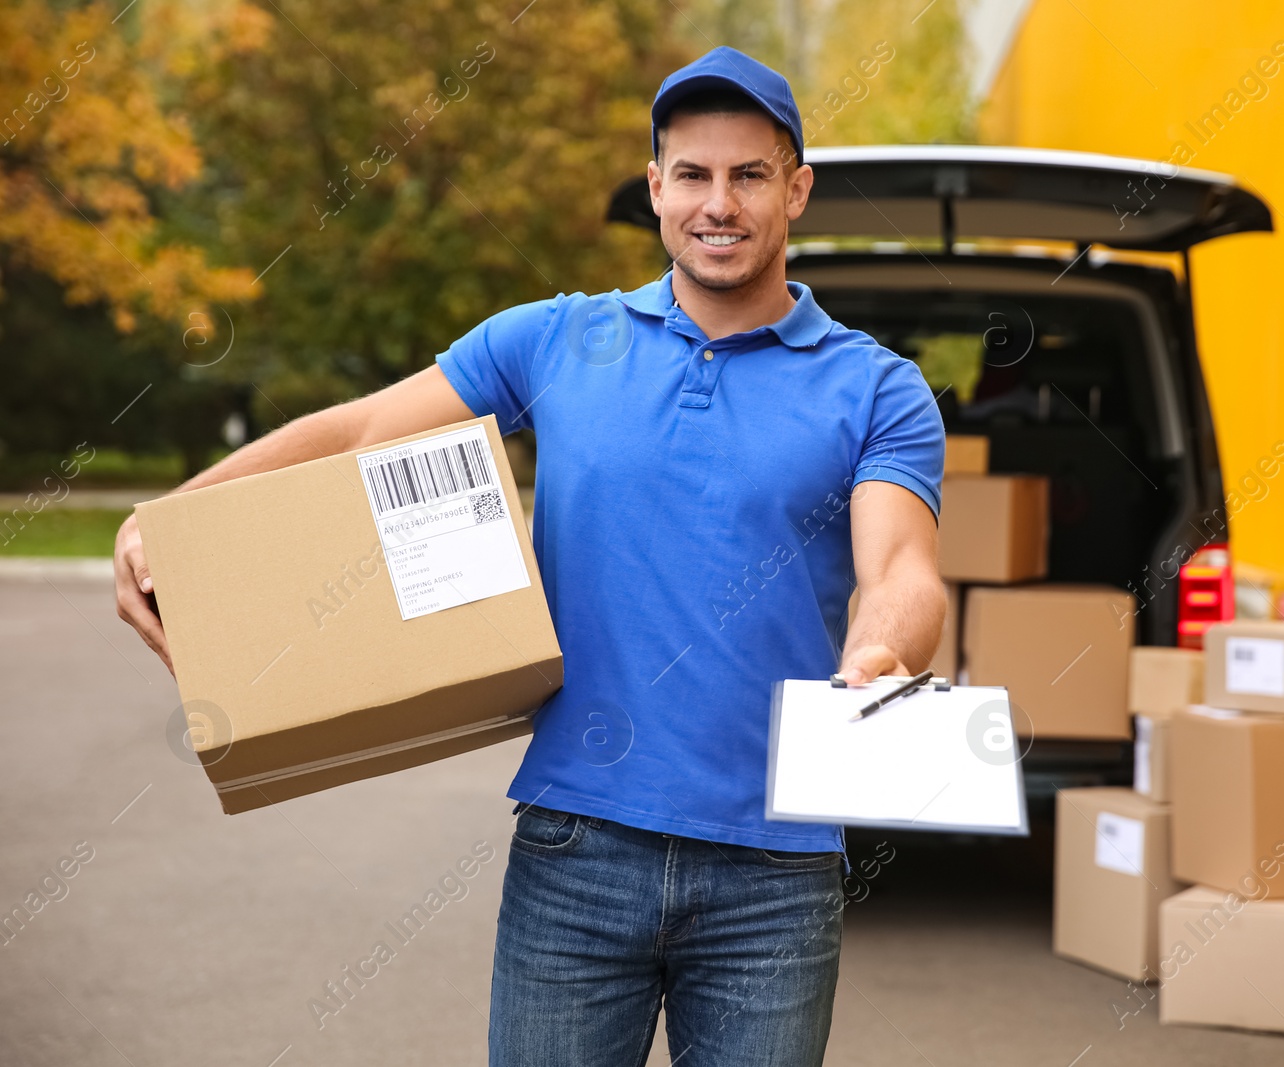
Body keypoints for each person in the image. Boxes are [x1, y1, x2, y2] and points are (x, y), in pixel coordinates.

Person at [113, 45, 946, 1067]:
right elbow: (365, 431)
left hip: (774, 873)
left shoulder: (876, 388)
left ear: (796, 190)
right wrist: (174, 516)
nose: (716, 203)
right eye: (691, 173)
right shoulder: (555, 342)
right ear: (654, 189)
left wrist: (879, 655)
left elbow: (900, 567)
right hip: (576, 850)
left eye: (749, 174)